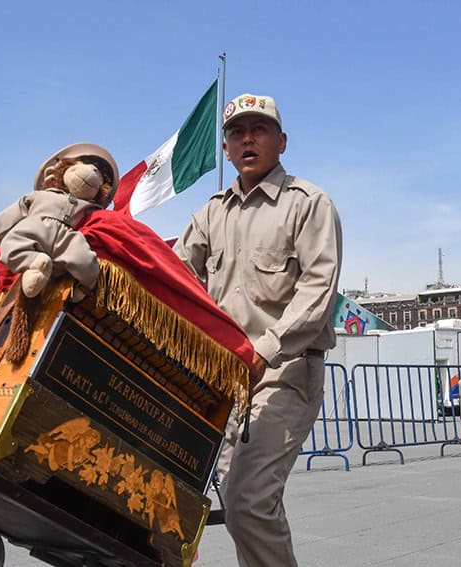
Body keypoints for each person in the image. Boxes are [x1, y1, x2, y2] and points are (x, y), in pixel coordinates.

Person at [173, 92, 342, 567]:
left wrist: (263, 350)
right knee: (245, 502)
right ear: (225, 149)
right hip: (225, 379)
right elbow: (175, 275)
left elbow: (318, 292)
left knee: (247, 501)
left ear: (281, 141)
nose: (247, 139)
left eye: (259, 130)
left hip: (284, 373)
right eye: (236, 132)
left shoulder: (308, 204)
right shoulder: (210, 214)